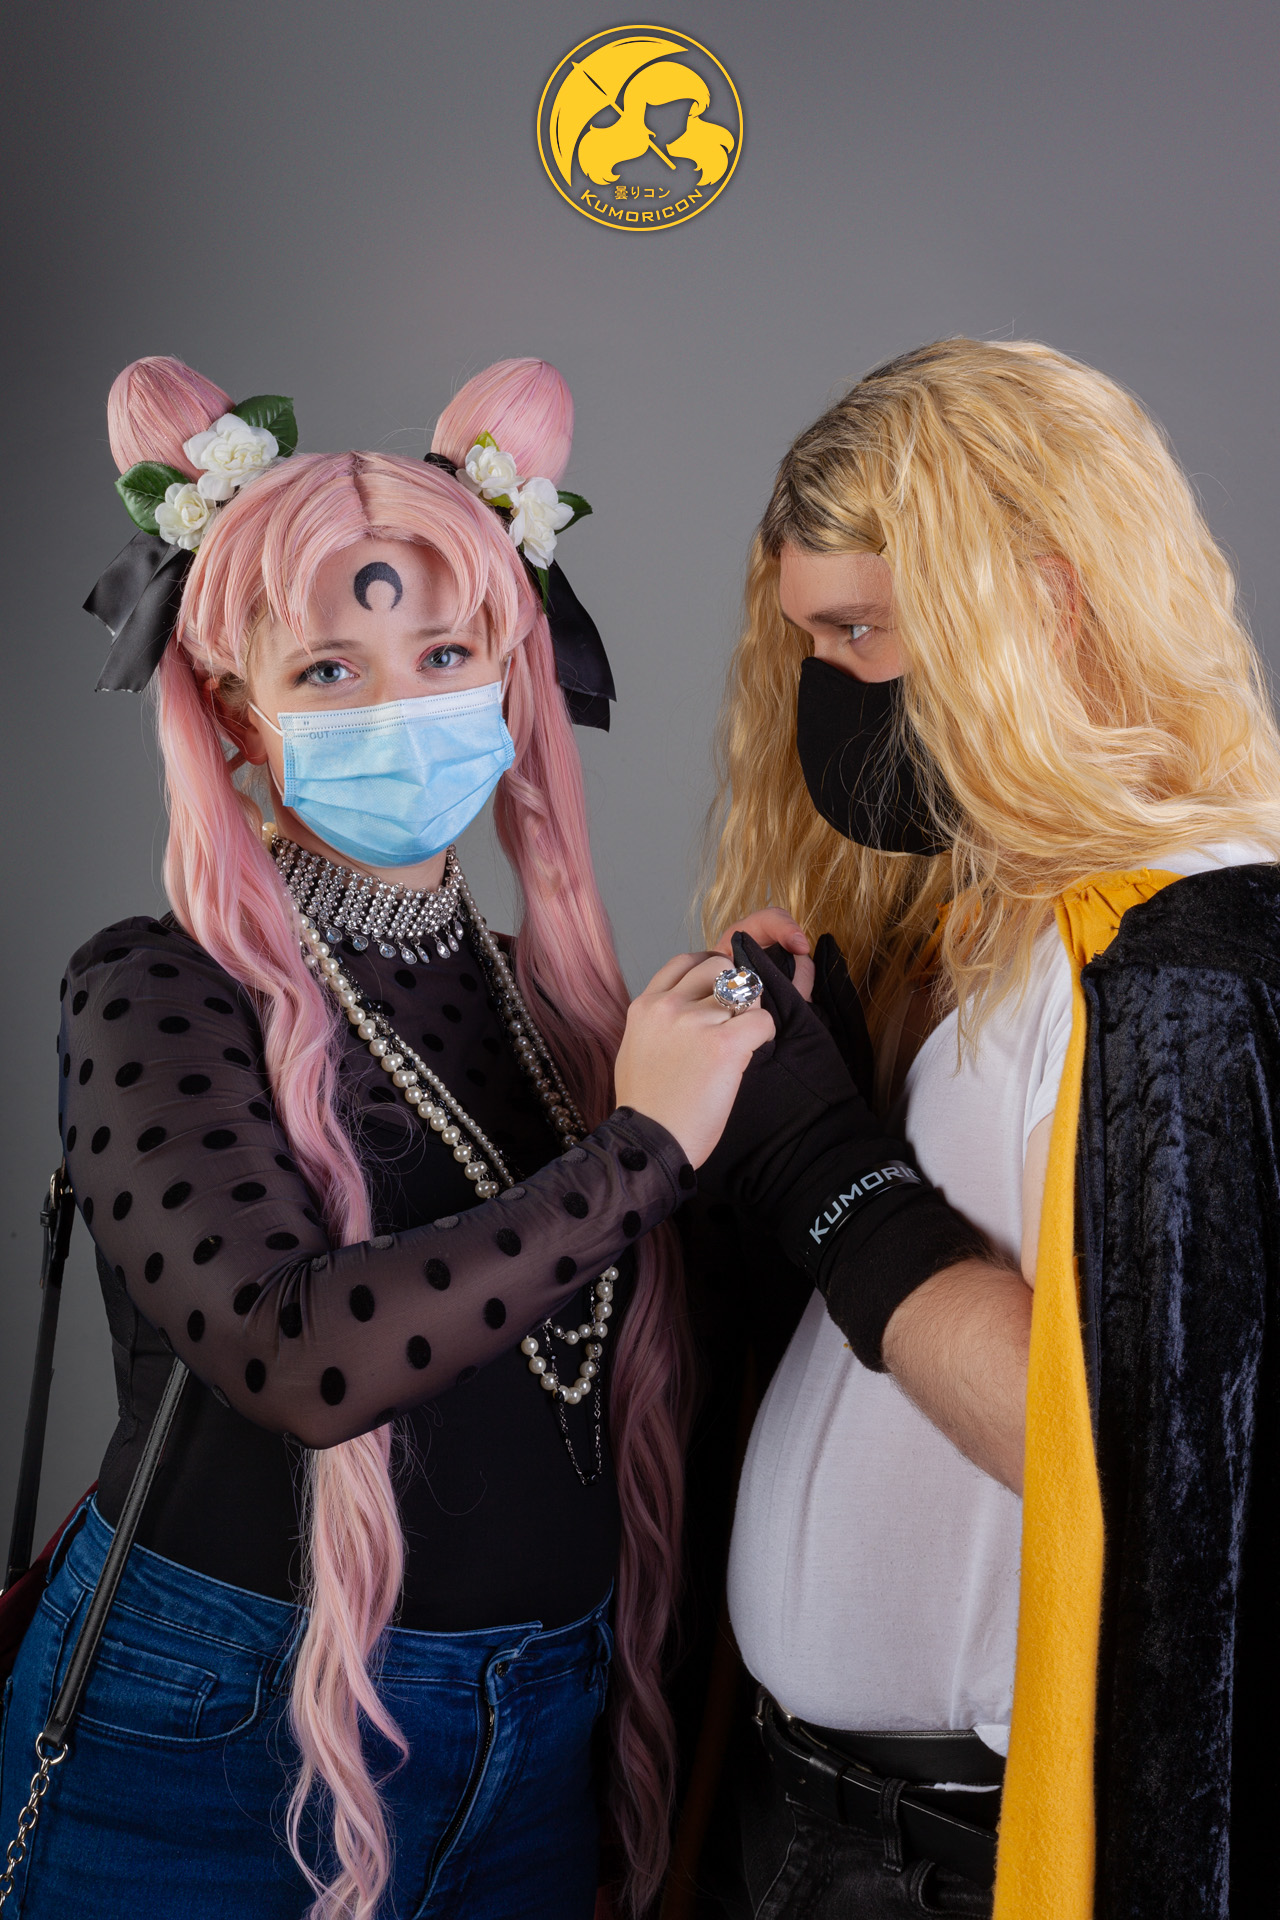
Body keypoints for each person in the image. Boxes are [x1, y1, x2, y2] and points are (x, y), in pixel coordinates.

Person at [0, 353, 772, 1920]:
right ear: (235, 709)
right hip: (213, 1736)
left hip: (542, 1733)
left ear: (511, 670)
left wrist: (778, 1052)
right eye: (331, 669)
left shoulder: (565, 1014)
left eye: (444, 652)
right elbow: (296, 1354)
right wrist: (643, 1148)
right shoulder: (154, 992)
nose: (404, 706)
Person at [687, 338, 1280, 1919]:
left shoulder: (1188, 961)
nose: (830, 683)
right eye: (810, 638)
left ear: (1043, 601)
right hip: (799, 1815)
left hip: (956, 1857)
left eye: (862, 631)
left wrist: (828, 1172)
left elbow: (1133, 1448)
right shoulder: (990, 923)